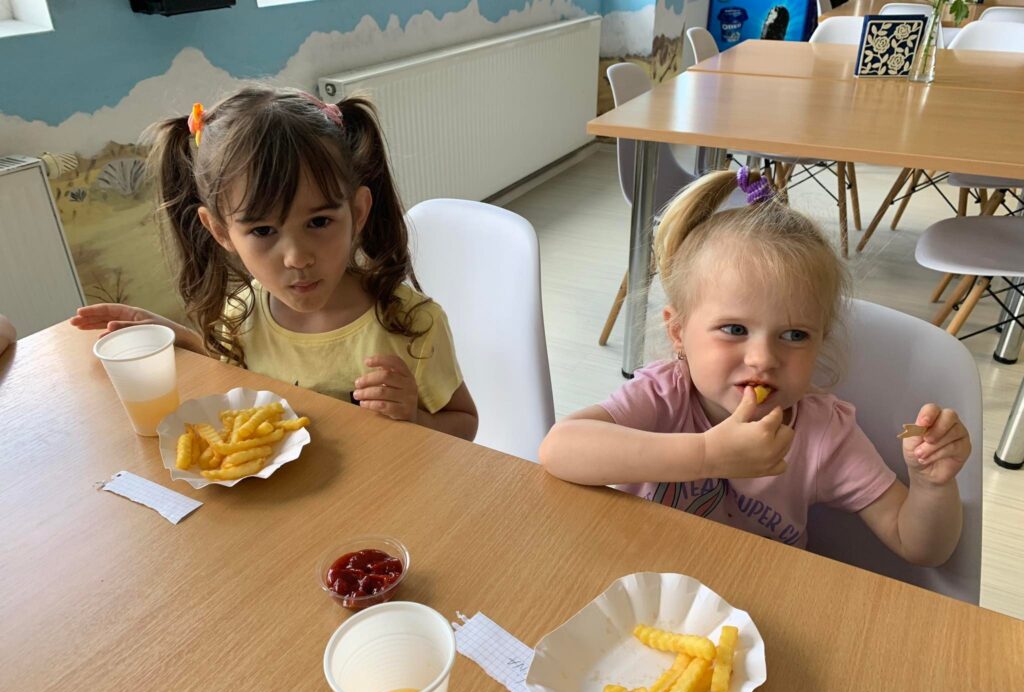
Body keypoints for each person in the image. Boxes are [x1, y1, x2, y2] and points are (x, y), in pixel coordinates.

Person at [539, 169, 969, 567]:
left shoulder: (823, 433)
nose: (763, 359)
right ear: (679, 332)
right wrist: (707, 455)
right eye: (734, 329)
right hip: (641, 581)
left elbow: (919, 547)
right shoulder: (664, 394)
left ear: (820, 341)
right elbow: (559, 448)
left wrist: (932, 485)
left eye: (795, 335)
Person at [72, 87, 477, 440]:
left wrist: (416, 418)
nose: (297, 257)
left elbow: (465, 423)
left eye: (319, 222)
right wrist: (174, 337)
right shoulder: (240, 316)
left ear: (357, 212)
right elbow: (233, 378)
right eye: (263, 230)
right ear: (220, 232)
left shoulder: (412, 324)